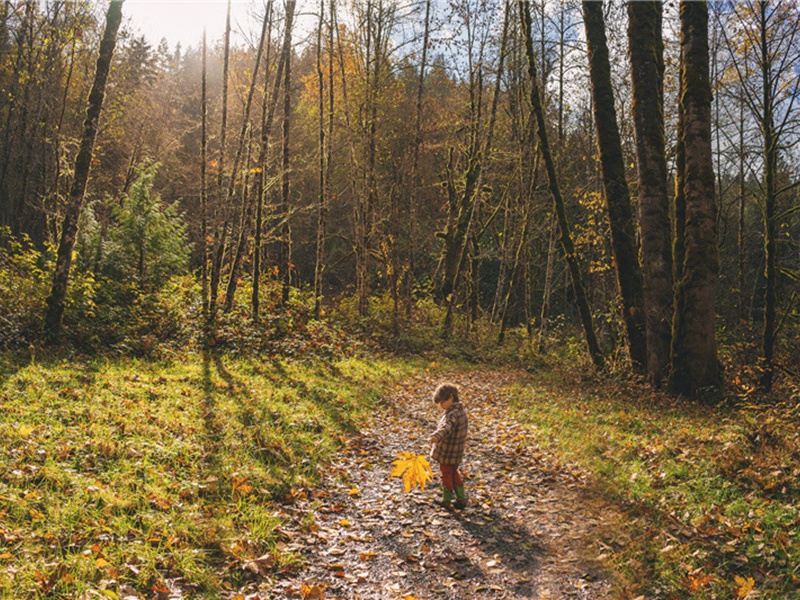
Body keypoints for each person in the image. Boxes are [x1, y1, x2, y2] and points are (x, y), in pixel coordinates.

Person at [429, 382, 468, 509]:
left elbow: (446, 427)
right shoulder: (460, 411)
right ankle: (461, 498)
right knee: (454, 472)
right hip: (456, 453)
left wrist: (436, 437)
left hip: (448, 452)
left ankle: (446, 499)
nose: (441, 406)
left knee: (445, 474)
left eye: (442, 402)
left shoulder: (452, 414)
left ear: (450, 397)